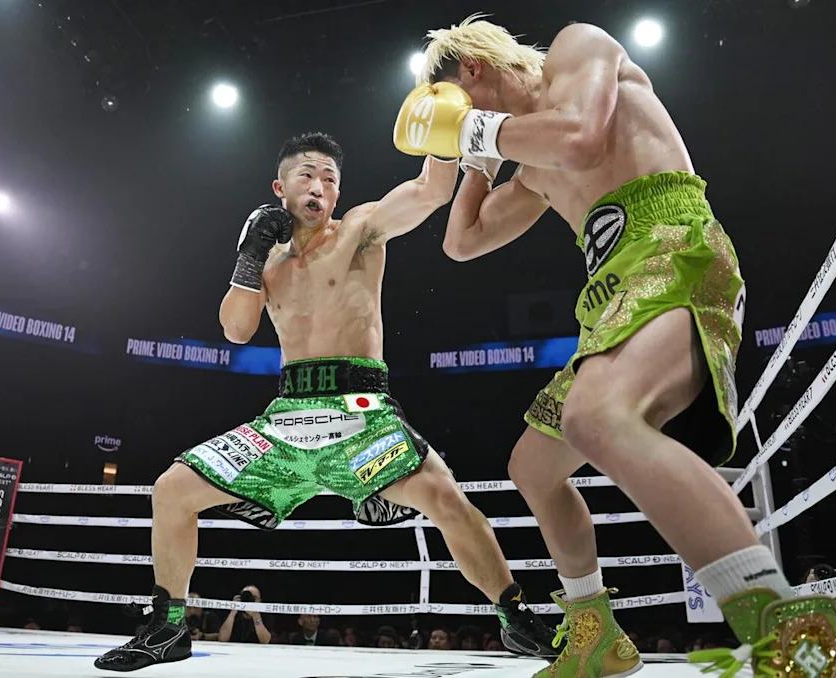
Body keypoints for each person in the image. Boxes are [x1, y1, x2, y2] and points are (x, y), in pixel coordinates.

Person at [395, 15, 836, 678]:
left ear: (472, 70)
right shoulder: (528, 165)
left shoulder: (577, 51)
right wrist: (478, 159)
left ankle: (792, 636)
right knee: (534, 467)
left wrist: (472, 126)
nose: (464, 121)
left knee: (597, 417)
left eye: (459, 106)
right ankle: (595, 634)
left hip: (674, 247)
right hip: (611, 297)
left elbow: (581, 138)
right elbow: (461, 243)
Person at [95, 132, 557, 671]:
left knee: (442, 494)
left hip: (362, 414)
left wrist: (443, 128)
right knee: (172, 490)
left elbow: (430, 190)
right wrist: (248, 257)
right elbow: (236, 331)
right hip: (288, 420)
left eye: (330, 179)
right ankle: (168, 628)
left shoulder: (359, 231)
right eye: (307, 175)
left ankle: (515, 617)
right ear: (279, 188)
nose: (320, 186)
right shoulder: (266, 261)